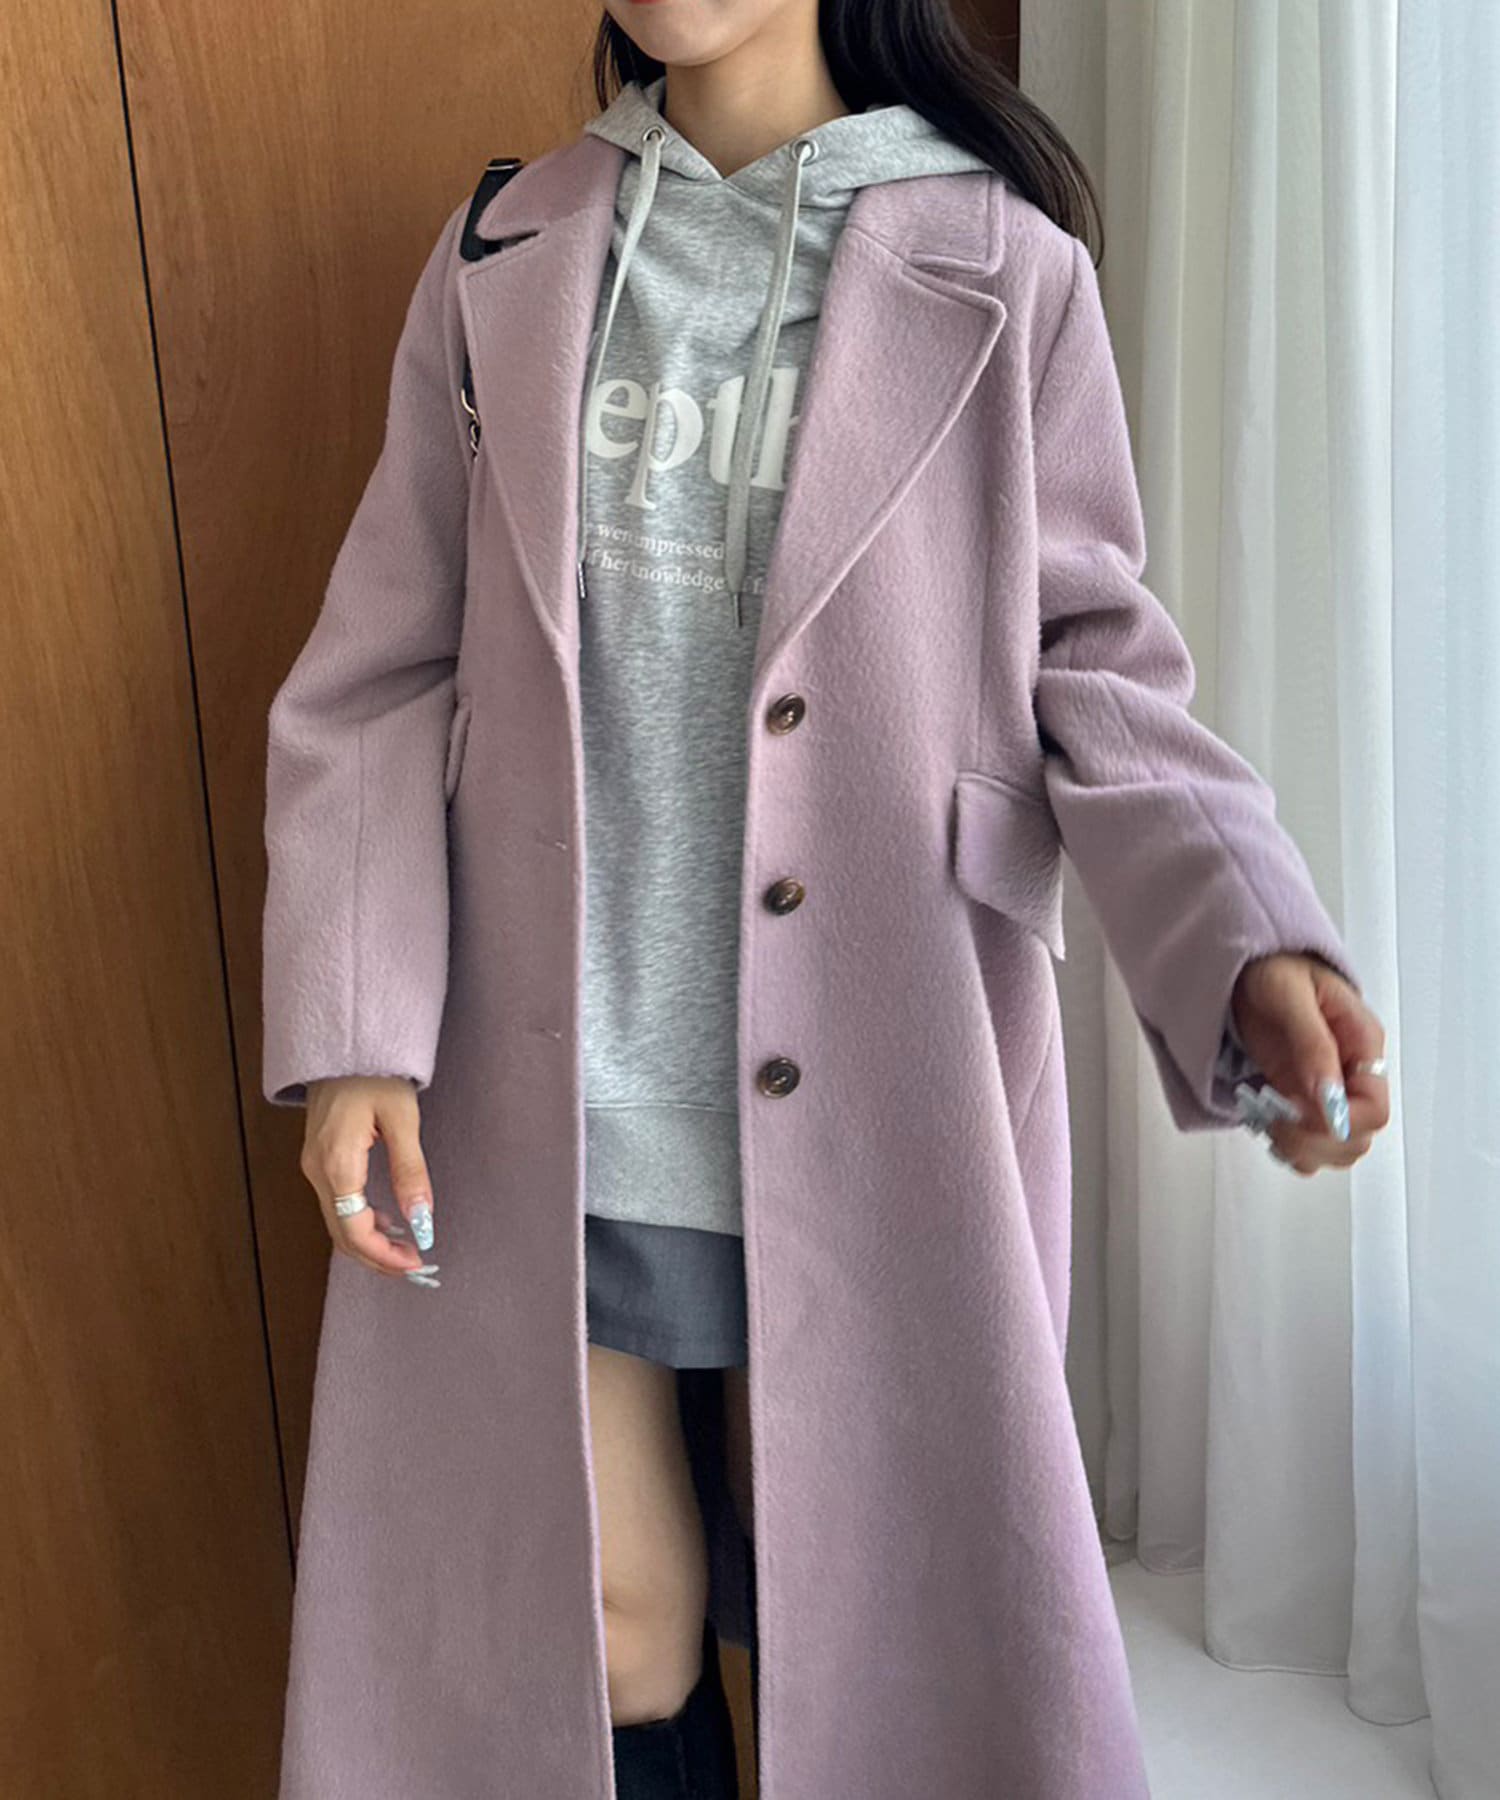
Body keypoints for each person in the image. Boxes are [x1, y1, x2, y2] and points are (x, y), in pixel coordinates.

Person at [261, 4, 1392, 1796]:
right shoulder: (503, 253)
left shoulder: (1006, 270)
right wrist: (354, 1033)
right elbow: (381, 676)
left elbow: (1098, 670)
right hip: (550, 1097)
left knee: (858, 1657)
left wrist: (1244, 945)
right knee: (599, 1640)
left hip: (881, 1092)